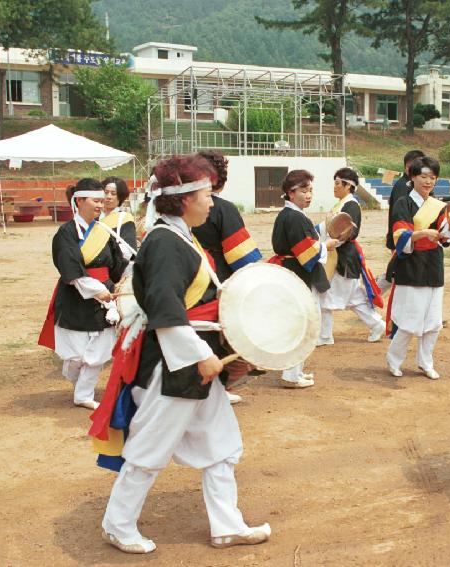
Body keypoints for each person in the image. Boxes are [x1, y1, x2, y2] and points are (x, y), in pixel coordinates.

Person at [92, 153, 270, 554]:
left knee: (221, 444)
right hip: (172, 368)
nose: (212, 201)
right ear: (185, 197)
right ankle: (117, 524)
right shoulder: (165, 242)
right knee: (149, 449)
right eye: (207, 193)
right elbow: (164, 308)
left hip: (191, 364)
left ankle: (226, 524)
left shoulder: (179, 237)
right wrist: (197, 355)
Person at [37, 179, 127, 409]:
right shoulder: (65, 233)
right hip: (76, 295)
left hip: (104, 296)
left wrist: (134, 265)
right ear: (79, 201)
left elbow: (118, 267)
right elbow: (71, 270)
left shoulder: (104, 231)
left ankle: (83, 395)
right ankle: (80, 386)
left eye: (102, 200)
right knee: (75, 356)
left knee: (99, 352)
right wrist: (98, 291)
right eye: (96, 200)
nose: (101, 203)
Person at [190, 151, 263, 403]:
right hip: (217, 283)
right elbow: (242, 257)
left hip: (186, 285)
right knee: (224, 341)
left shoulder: (173, 208)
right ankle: (219, 387)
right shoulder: (222, 209)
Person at [386, 156, 450, 380]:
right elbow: (400, 236)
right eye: (423, 176)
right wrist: (424, 233)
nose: (428, 182)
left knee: (433, 322)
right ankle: (394, 360)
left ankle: (426, 362)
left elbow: (445, 239)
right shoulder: (403, 203)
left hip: (433, 265)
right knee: (409, 321)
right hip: (412, 265)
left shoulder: (439, 206)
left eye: (432, 178)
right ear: (413, 177)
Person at [270, 169, 337, 388]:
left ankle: (294, 371)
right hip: (300, 275)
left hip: (294, 272)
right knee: (303, 325)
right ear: (290, 193)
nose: (309, 195)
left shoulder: (290, 215)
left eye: (310, 190)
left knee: (301, 324)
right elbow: (306, 252)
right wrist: (325, 245)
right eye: (304, 191)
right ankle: (291, 374)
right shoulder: (294, 217)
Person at [317, 167, 385, 346]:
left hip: (343, 258)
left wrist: (331, 242)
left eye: (338, 183)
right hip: (340, 257)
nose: (334, 187)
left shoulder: (351, 205)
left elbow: (348, 232)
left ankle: (325, 335)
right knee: (354, 298)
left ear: (348, 186)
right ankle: (377, 324)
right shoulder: (342, 204)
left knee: (324, 295)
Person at [378, 150, 426, 293]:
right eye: (420, 164)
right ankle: (370, 295)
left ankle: (371, 294)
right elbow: (400, 217)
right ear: (408, 166)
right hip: (401, 237)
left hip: (412, 237)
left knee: (397, 271)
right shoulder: (402, 186)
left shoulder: (413, 184)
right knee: (397, 272)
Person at [100, 176, 137, 261]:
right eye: (106, 192)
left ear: (120, 197)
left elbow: (128, 250)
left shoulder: (125, 219)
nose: (108, 196)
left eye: (113, 193)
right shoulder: (95, 218)